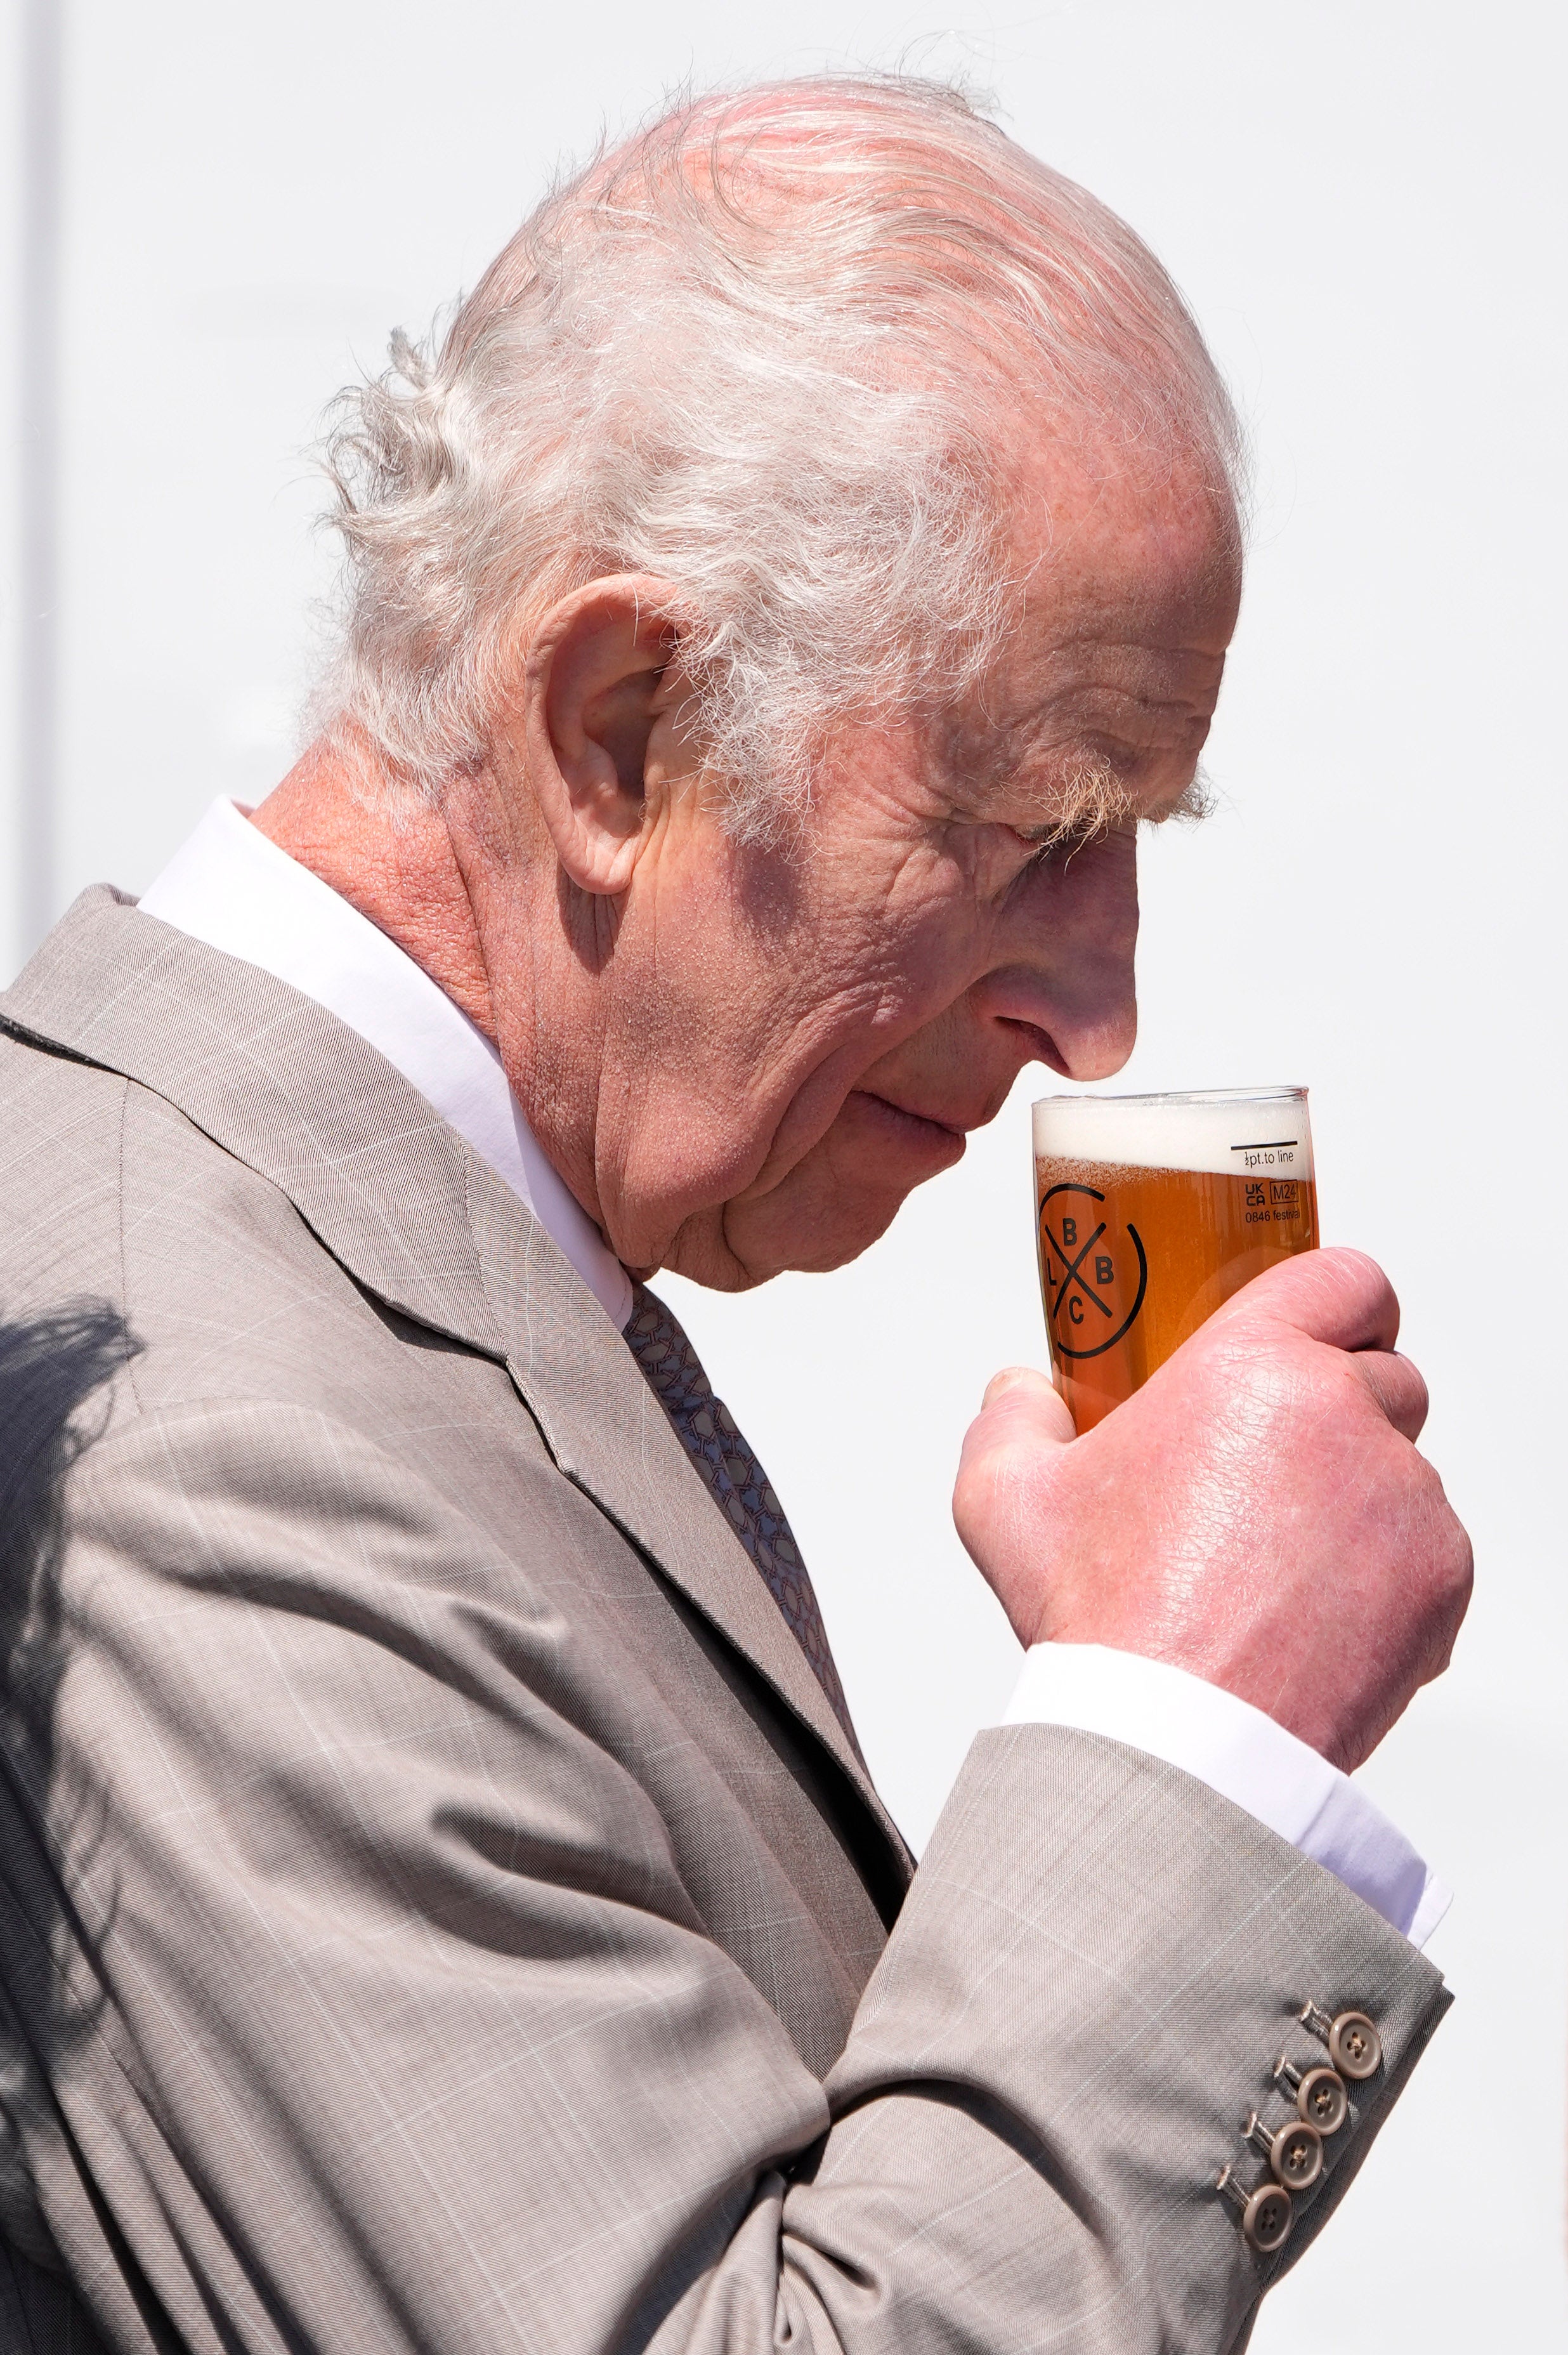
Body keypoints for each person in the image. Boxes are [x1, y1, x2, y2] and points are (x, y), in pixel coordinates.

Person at [0, 75, 1470, 2355]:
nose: (1104, 1014)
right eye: (1045, 826)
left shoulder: (334, 1273)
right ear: (617, 725)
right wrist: (1188, 1730)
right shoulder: (220, 1442)